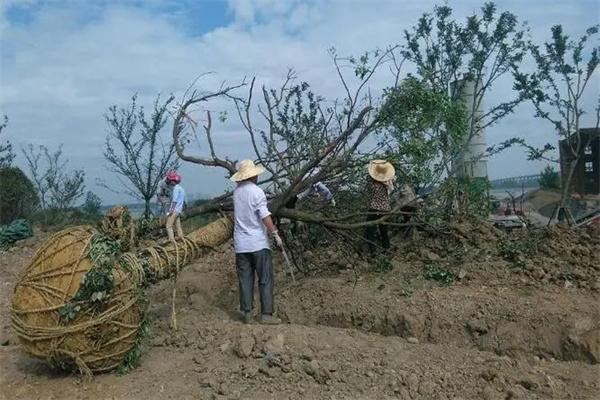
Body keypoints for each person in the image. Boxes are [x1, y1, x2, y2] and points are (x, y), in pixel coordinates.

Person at [231, 159, 283, 325]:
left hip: (241, 245)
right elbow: (264, 216)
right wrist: (275, 233)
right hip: (258, 243)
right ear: (253, 176)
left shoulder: (236, 193)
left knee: (245, 279)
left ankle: (247, 314)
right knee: (265, 278)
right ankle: (266, 315)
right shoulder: (257, 192)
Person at [365, 159, 395, 255]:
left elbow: (368, 176)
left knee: (370, 232)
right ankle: (386, 250)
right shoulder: (387, 184)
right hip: (385, 210)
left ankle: (372, 252)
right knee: (384, 232)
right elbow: (392, 180)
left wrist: (373, 167)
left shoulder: (372, 184)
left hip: (374, 209)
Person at [165, 172, 185, 241]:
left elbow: (174, 200)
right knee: (177, 225)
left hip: (175, 210)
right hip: (179, 210)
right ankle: (181, 237)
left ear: (172, 180)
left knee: (168, 226)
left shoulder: (176, 188)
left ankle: (171, 240)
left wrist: (171, 210)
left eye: (169, 179)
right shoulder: (181, 188)